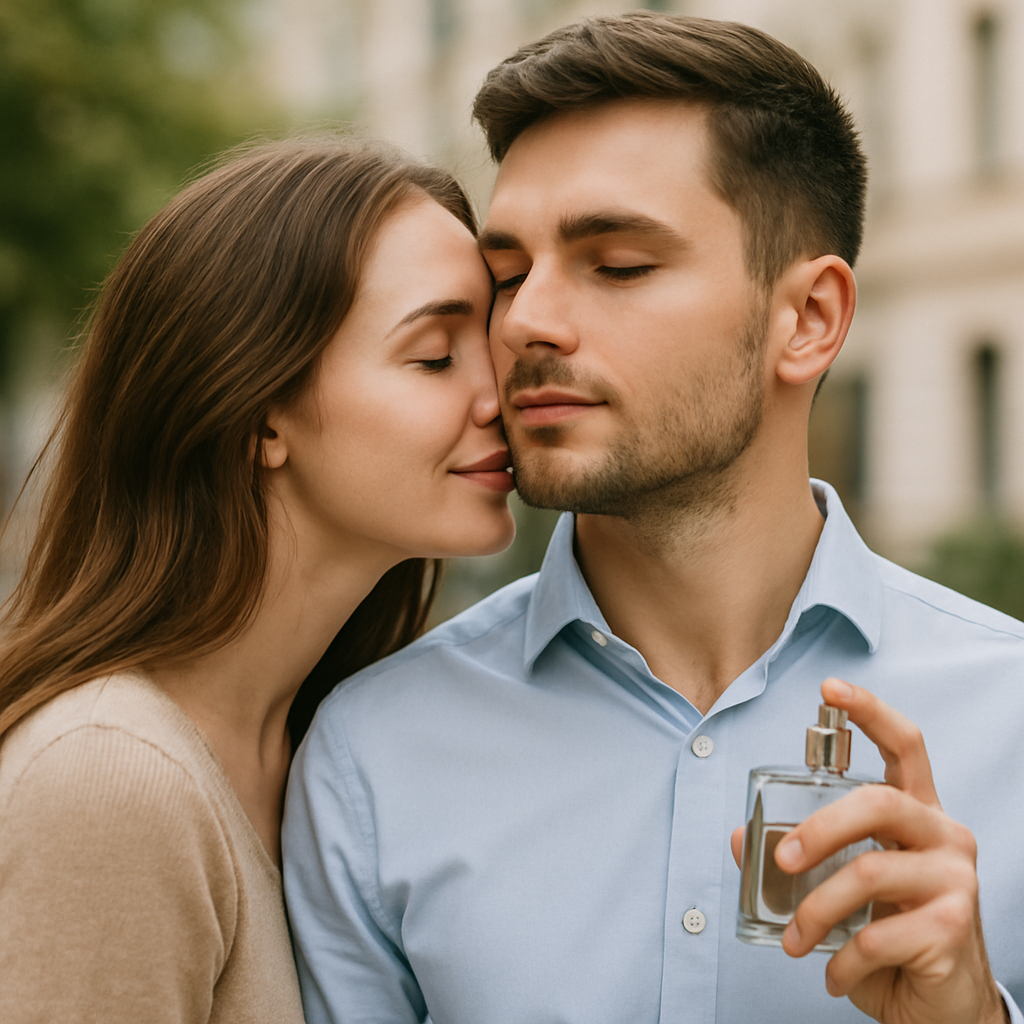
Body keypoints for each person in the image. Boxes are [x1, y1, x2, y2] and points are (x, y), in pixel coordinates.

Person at [283, 13, 1024, 1024]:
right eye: (507, 275)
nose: (525, 321)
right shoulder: (369, 756)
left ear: (808, 320)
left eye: (619, 264)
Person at [0, 136, 516, 1023]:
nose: (499, 396)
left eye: (492, 344)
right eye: (435, 356)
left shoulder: (337, 752)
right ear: (261, 416)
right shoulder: (109, 778)